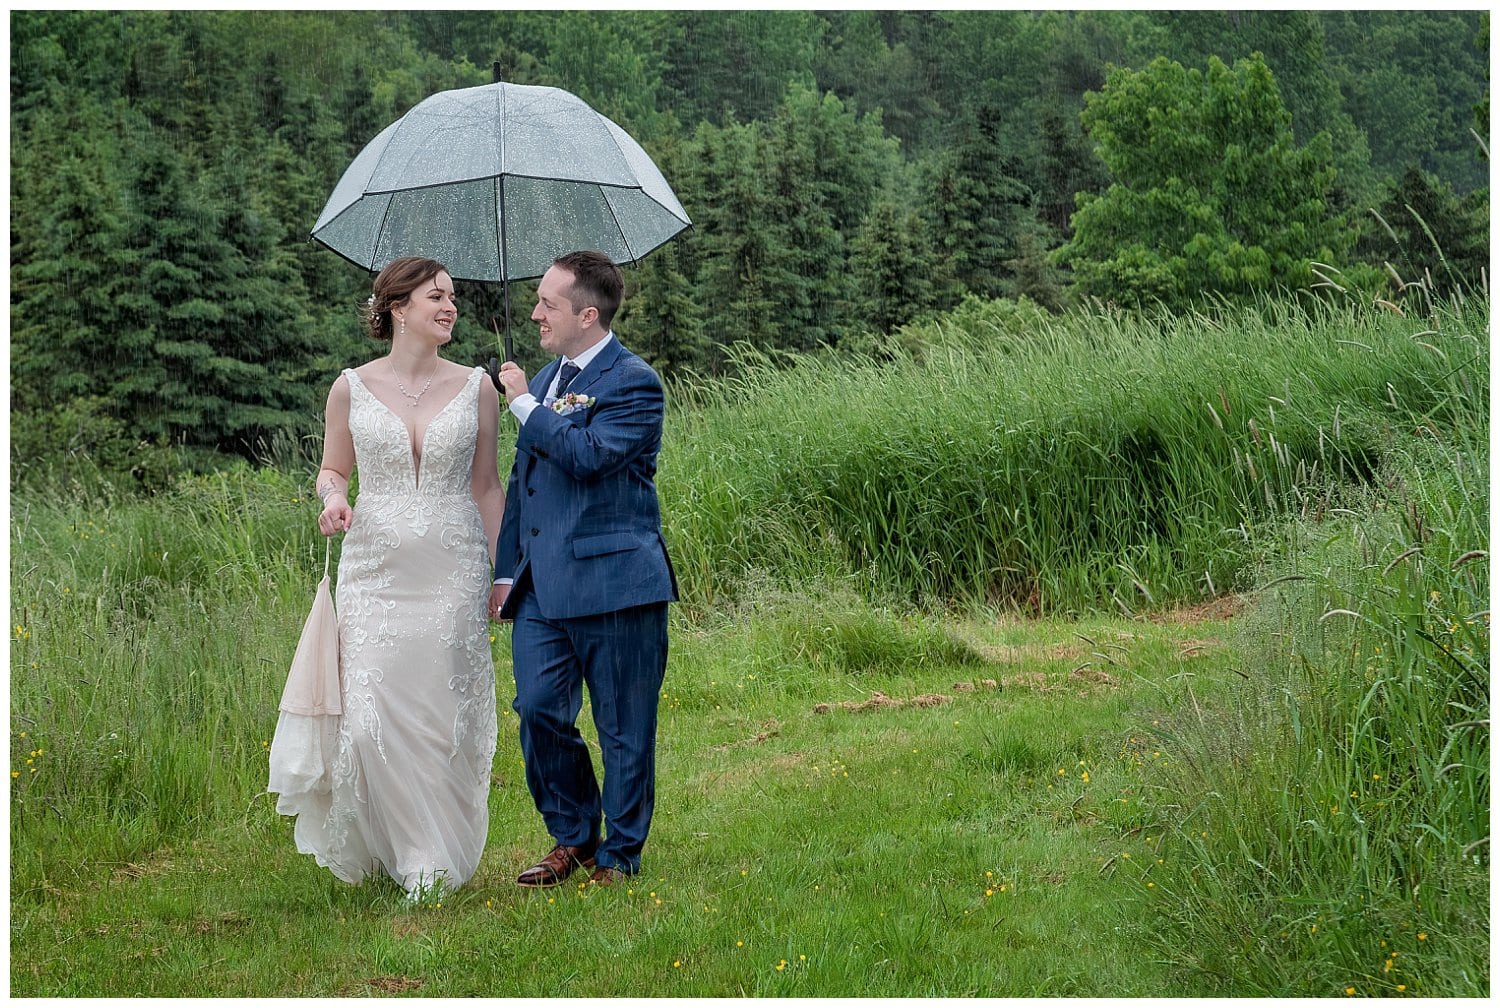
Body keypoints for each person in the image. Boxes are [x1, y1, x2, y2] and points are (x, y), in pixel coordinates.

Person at [273, 256, 504, 900]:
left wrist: (507, 568)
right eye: (437, 297)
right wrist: (331, 502)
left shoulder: (477, 386)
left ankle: (429, 855)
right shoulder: (350, 386)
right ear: (398, 308)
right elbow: (333, 470)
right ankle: (403, 848)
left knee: (440, 714)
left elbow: (486, 487)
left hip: (453, 567)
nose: (450, 306)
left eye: (453, 297)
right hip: (374, 570)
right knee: (371, 716)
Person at [490, 250, 677, 888]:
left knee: (624, 726)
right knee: (538, 709)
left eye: (548, 303)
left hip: (617, 582)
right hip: (541, 584)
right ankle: (573, 834)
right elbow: (526, 484)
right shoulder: (542, 381)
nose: (536, 312)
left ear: (587, 314)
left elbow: (591, 456)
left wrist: (523, 409)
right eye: (538, 300)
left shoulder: (635, 382)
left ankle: (620, 854)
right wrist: (504, 569)